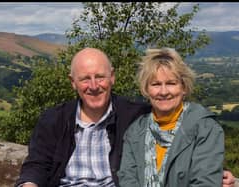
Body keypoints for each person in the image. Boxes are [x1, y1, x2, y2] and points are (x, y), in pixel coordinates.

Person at [15, 47, 235, 187]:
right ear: (73, 82)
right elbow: (37, 164)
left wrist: (224, 176)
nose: (94, 86)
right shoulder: (54, 119)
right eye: (85, 79)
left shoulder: (132, 116)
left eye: (100, 77)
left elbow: (198, 157)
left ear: (112, 78)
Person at [117, 48, 227, 187]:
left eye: (171, 83)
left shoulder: (205, 129)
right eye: (156, 84)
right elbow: (128, 179)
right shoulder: (135, 132)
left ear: (184, 87)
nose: (163, 92)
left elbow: (205, 182)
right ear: (146, 90)